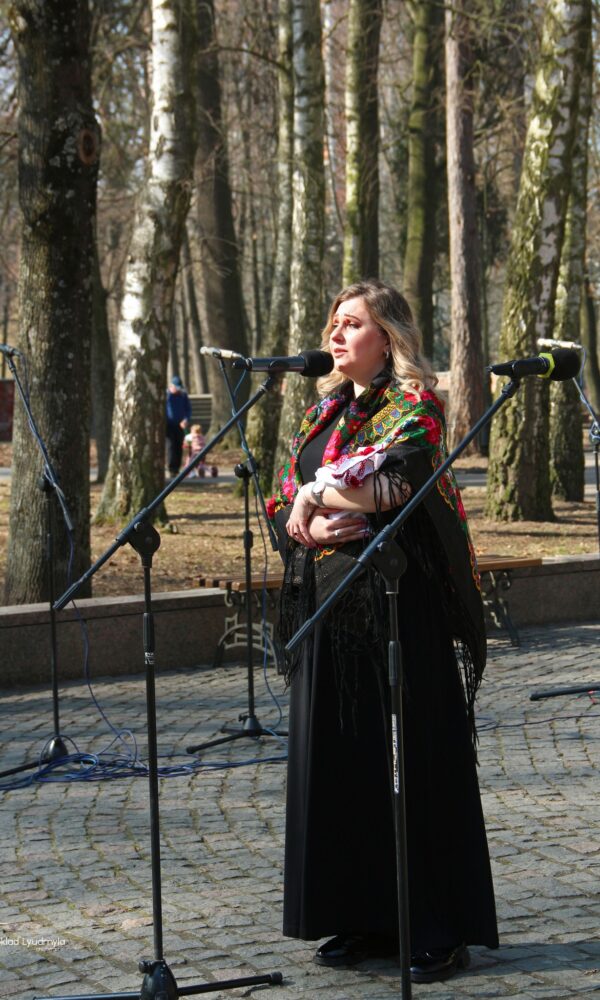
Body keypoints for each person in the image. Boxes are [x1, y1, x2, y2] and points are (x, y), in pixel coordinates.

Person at [267, 280, 498, 984]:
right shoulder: (324, 410)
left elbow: (394, 483)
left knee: (412, 761)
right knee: (346, 761)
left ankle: (436, 926)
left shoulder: (415, 405)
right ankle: (364, 915)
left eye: (352, 324)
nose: (336, 336)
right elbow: (283, 494)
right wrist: (303, 521)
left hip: (399, 601)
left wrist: (317, 493)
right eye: (333, 324)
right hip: (329, 607)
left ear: (387, 337)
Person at [165, 375, 191, 478]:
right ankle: (171, 468)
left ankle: (176, 468)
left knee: (179, 446)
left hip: (180, 425)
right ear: (171, 386)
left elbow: (188, 409)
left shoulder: (183, 396)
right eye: (176, 387)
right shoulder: (167, 396)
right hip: (169, 425)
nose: (177, 390)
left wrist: (186, 419)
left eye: (179, 388)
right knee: (171, 446)